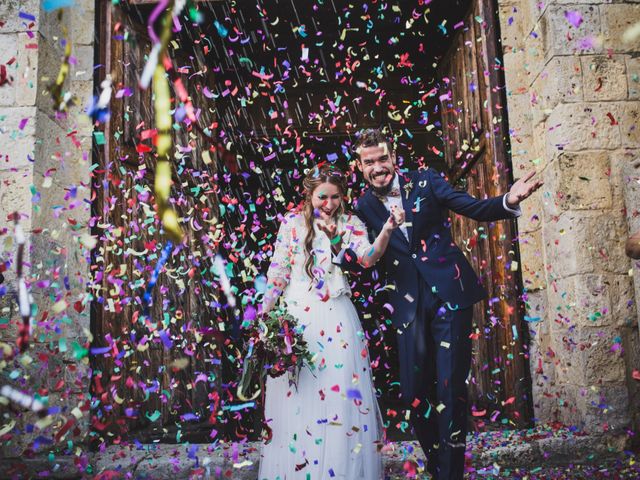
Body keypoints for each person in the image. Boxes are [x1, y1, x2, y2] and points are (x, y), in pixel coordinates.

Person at [348, 129, 542, 480]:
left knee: (451, 387)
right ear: (360, 166)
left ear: (393, 157)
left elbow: (471, 207)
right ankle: (440, 468)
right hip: (407, 307)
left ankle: (450, 475)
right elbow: (360, 253)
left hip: (449, 296)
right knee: (414, 395)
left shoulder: (426, 180)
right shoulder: (362, 206)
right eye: (370, 162)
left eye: (383, 159)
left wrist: (508, 200)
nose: (378, 167)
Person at [258, 164, 405, 480]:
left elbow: (367, 258)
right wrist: (265, 315)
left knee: (339, 399)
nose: (329, 204)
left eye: (335, 197)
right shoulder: (292, 226)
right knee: (297, 398)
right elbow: (278, 273)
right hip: (297, 321)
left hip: (337, 318)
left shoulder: (350, 224)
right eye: (322, 197)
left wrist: (388, 229)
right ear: (309, 194)